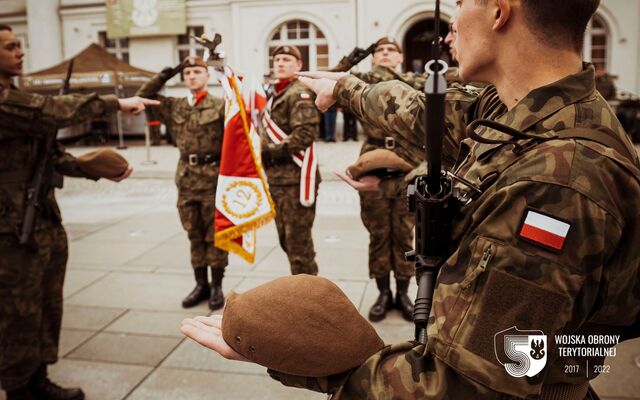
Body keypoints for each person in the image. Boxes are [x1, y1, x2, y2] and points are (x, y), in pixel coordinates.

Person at [183, 0, 640, 398]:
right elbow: (429, 112)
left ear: (500, 11)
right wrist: (345, 88)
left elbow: (461, 384)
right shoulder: (531, 109)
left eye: (460, 3)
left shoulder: (555, 187)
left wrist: (308, 360)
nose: (450, 28)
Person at [0, 24, 156, 400]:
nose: (20, 52)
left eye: (20, 44)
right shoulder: (9, 102)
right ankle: (20, 388)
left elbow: (49, 157)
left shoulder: (15, 94)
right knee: (16, 313)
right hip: (8, 230)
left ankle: (38, 378)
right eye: (9, 47)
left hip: (39, 220)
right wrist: (116, 103)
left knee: (45, 304)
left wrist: (91, 168)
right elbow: (51, 110)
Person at [334, 37, 424, 322]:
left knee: (405, 230)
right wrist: (350, 60)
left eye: (390, 50)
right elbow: (334, 81)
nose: (385, 54)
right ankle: (383, 292)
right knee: (377, 231)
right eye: (379, 51)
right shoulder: (364, 79)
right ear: (372, 59)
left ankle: (404, 292)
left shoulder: (415, 81)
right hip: (372, 156)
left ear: (400, 57)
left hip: (407, 157)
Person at [135, 56, 228, 310]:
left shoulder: (220, 105)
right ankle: (201, 284)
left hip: (213, 178)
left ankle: (217, 285)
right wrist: (162, 76)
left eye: (197, 71)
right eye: (187, 73)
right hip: (186, 178)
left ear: (207, 76)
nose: (192, 76)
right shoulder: (174, 106)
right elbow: (142, 97)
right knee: (193, 234)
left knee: (215, 236)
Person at [259, 45, 321, 276]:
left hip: (296, 180)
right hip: (278, 180)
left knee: (299, 247)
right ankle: (301, 292)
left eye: (286, 59)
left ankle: (309, 299)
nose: (280, 63)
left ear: (299, 65)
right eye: (276, 60)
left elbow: (305, 134)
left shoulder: (299, 93)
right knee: (287, 239)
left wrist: (267, 151)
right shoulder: (276, 93)